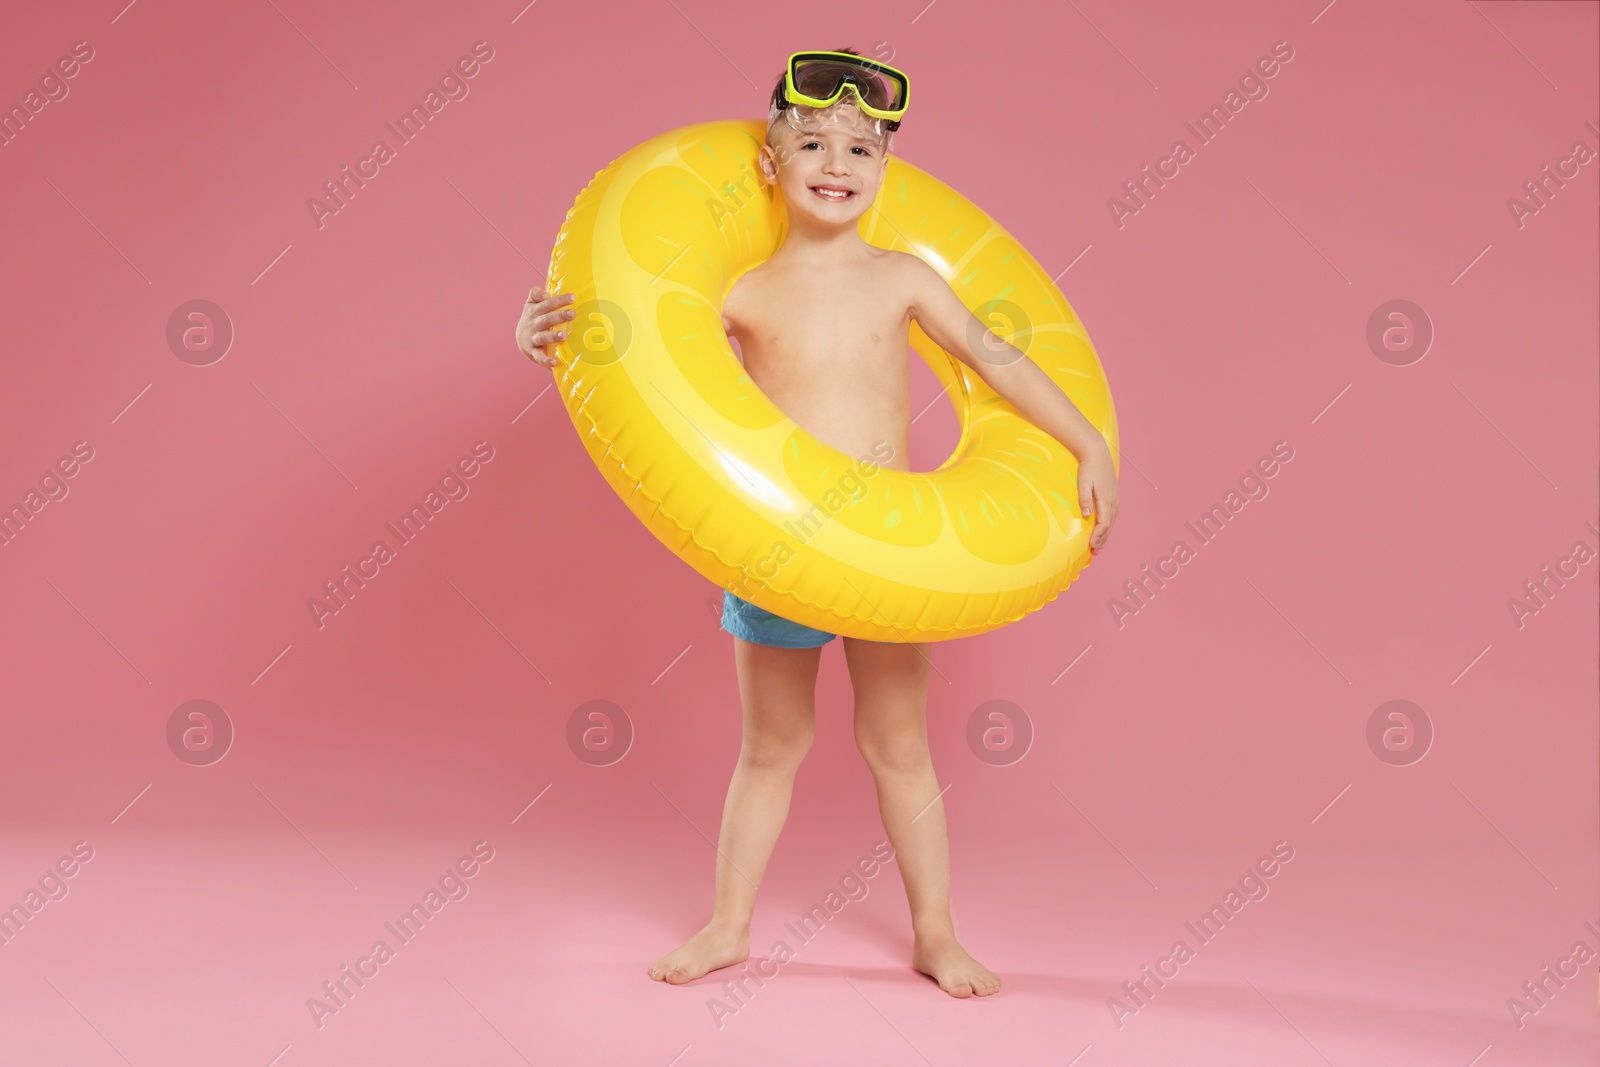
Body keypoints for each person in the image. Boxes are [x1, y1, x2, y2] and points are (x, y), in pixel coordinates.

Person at [515, 48, 1118, 999]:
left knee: (898, 745)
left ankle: (936, 932)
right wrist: (534, 329)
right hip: (778, 552)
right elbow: (630, 347)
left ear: (884, 172)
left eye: (861, 149)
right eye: (813, 143)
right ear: (771, 163)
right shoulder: (743, 292)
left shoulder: (902, 279)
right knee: (772, 746)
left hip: (892, 555)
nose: (838, 162)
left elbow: (996, 357)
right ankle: (727, 926)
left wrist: (1087, 440)